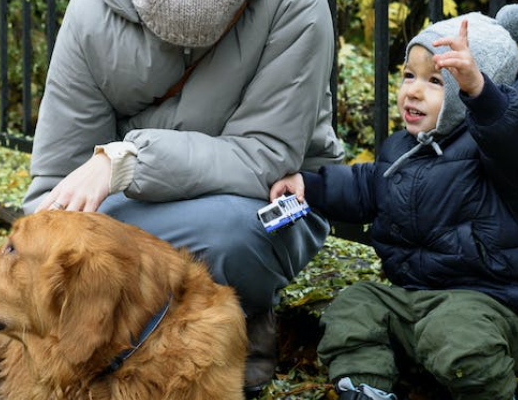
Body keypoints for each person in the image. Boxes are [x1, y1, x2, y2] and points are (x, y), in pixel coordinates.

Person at [21, 0, 344, 395]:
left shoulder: (295, 7)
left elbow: (265, 152)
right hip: (136, 208)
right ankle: (108, 340)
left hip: (260, 201)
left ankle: (233, 325)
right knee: (66, 241)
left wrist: (125, 161)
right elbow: (58, 186)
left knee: (236, 237)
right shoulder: (92, 12)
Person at [270, 4, 518, 400]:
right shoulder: (404, 148)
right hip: (417, 300)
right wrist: (309, 187)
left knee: (454, 335)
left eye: (436, 81)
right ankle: (365, 387)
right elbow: (366, 187)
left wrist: (481, 95)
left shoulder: (499, 154)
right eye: (408, 76)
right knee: (356, 306)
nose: (412, 90)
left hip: (500, 308)